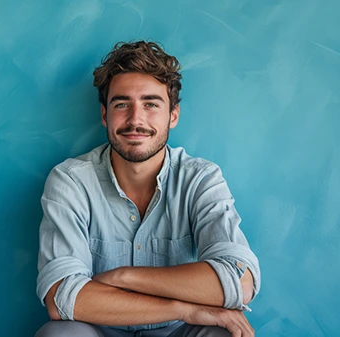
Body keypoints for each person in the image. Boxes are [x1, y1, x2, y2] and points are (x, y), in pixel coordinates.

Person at [35, 41, 260, 337]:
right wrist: (185, 308)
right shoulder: (70, 180)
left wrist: (125, 276)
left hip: (180, 333)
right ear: (105, 115)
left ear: (173, 115)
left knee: (224, 334)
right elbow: (61, 296)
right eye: (121, 104)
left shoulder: (201, 178)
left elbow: (240, 281)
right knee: (59, 335)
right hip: (99, 331)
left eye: (151, 104)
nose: (135, 119)